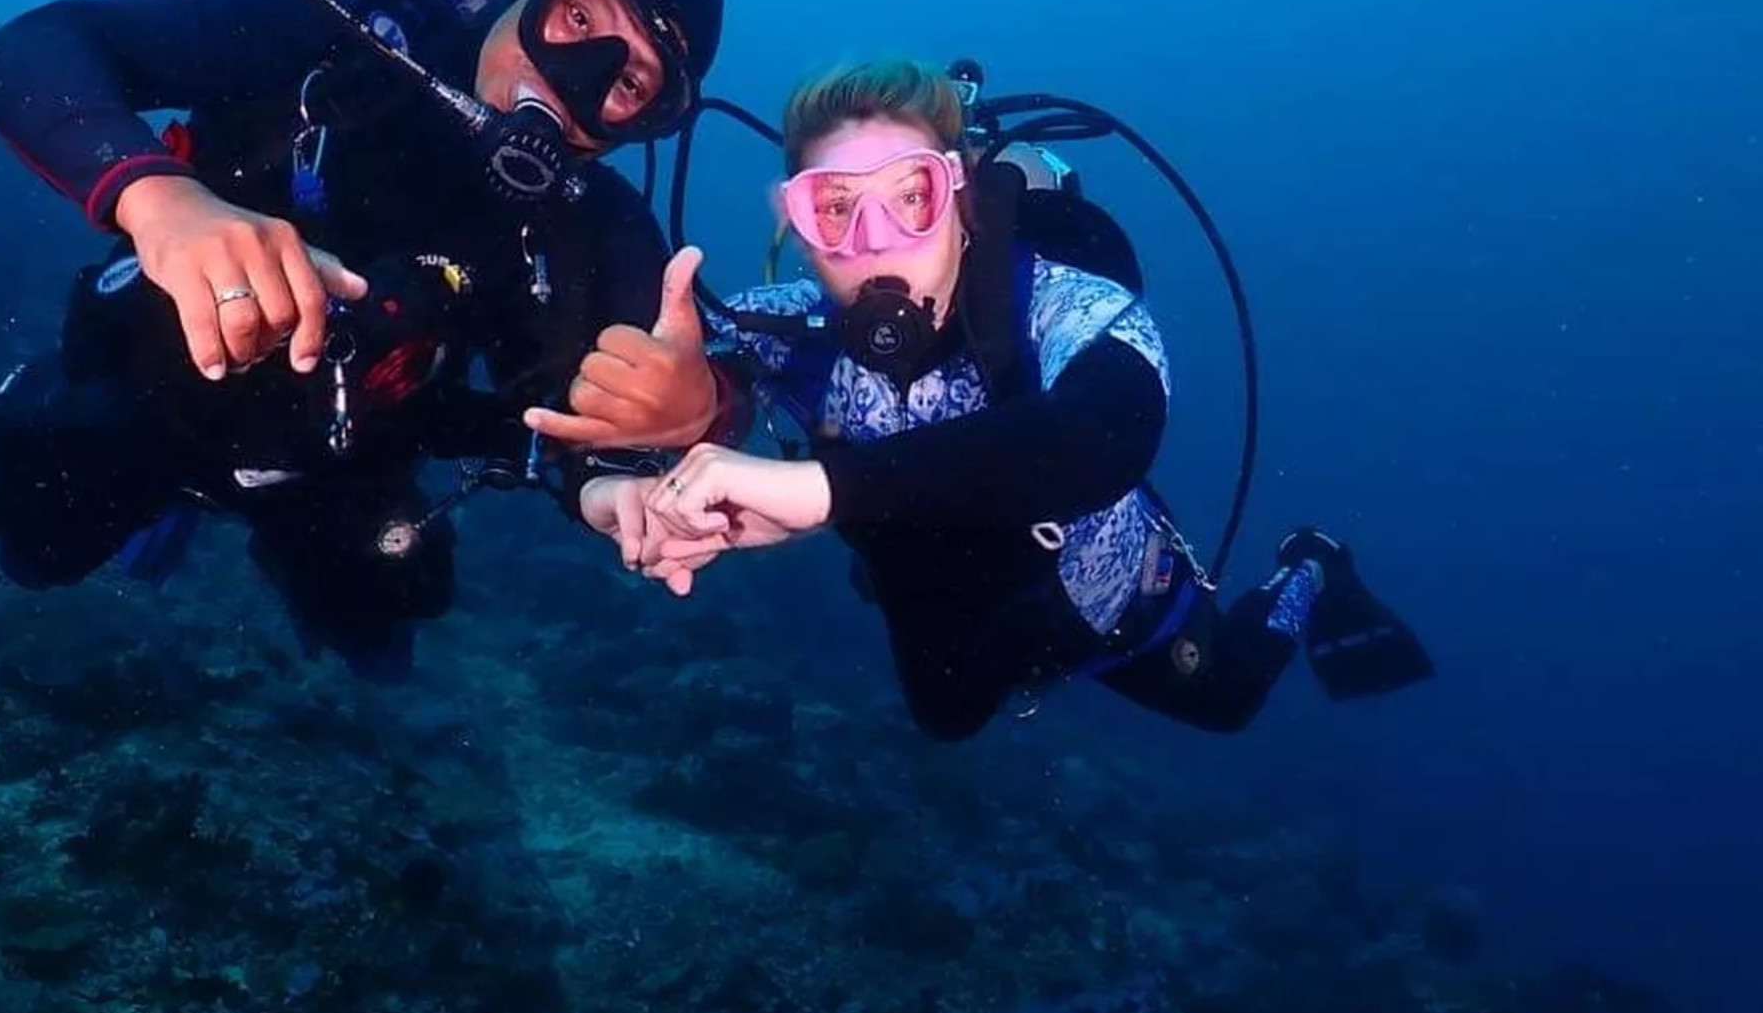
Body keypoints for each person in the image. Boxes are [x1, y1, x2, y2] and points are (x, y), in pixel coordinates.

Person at [0, 0, 736, 681]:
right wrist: (160, 199)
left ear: (647, 125)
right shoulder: (330, 30)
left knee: (388, 625)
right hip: (150, 382)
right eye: (579, 19)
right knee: (25, 537)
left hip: (343, 463)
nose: (580, 78)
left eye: (631, 83)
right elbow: (32, 50)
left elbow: (644, 401)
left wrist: (674, 428)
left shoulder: (593, 227)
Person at [575, 58, 1433, 741]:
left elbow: (1105, 432)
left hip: (1118, 612)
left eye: (912, 197)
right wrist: (629, 464)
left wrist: (819, 490)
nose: (875, 242)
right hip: (941, 606)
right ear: (795, 228)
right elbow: (614, 410)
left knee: (1227, 699)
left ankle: (1312, 562)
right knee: (946, 721)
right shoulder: (784, 327)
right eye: (833, 208)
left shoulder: (1066, 304)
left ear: (962, 200)